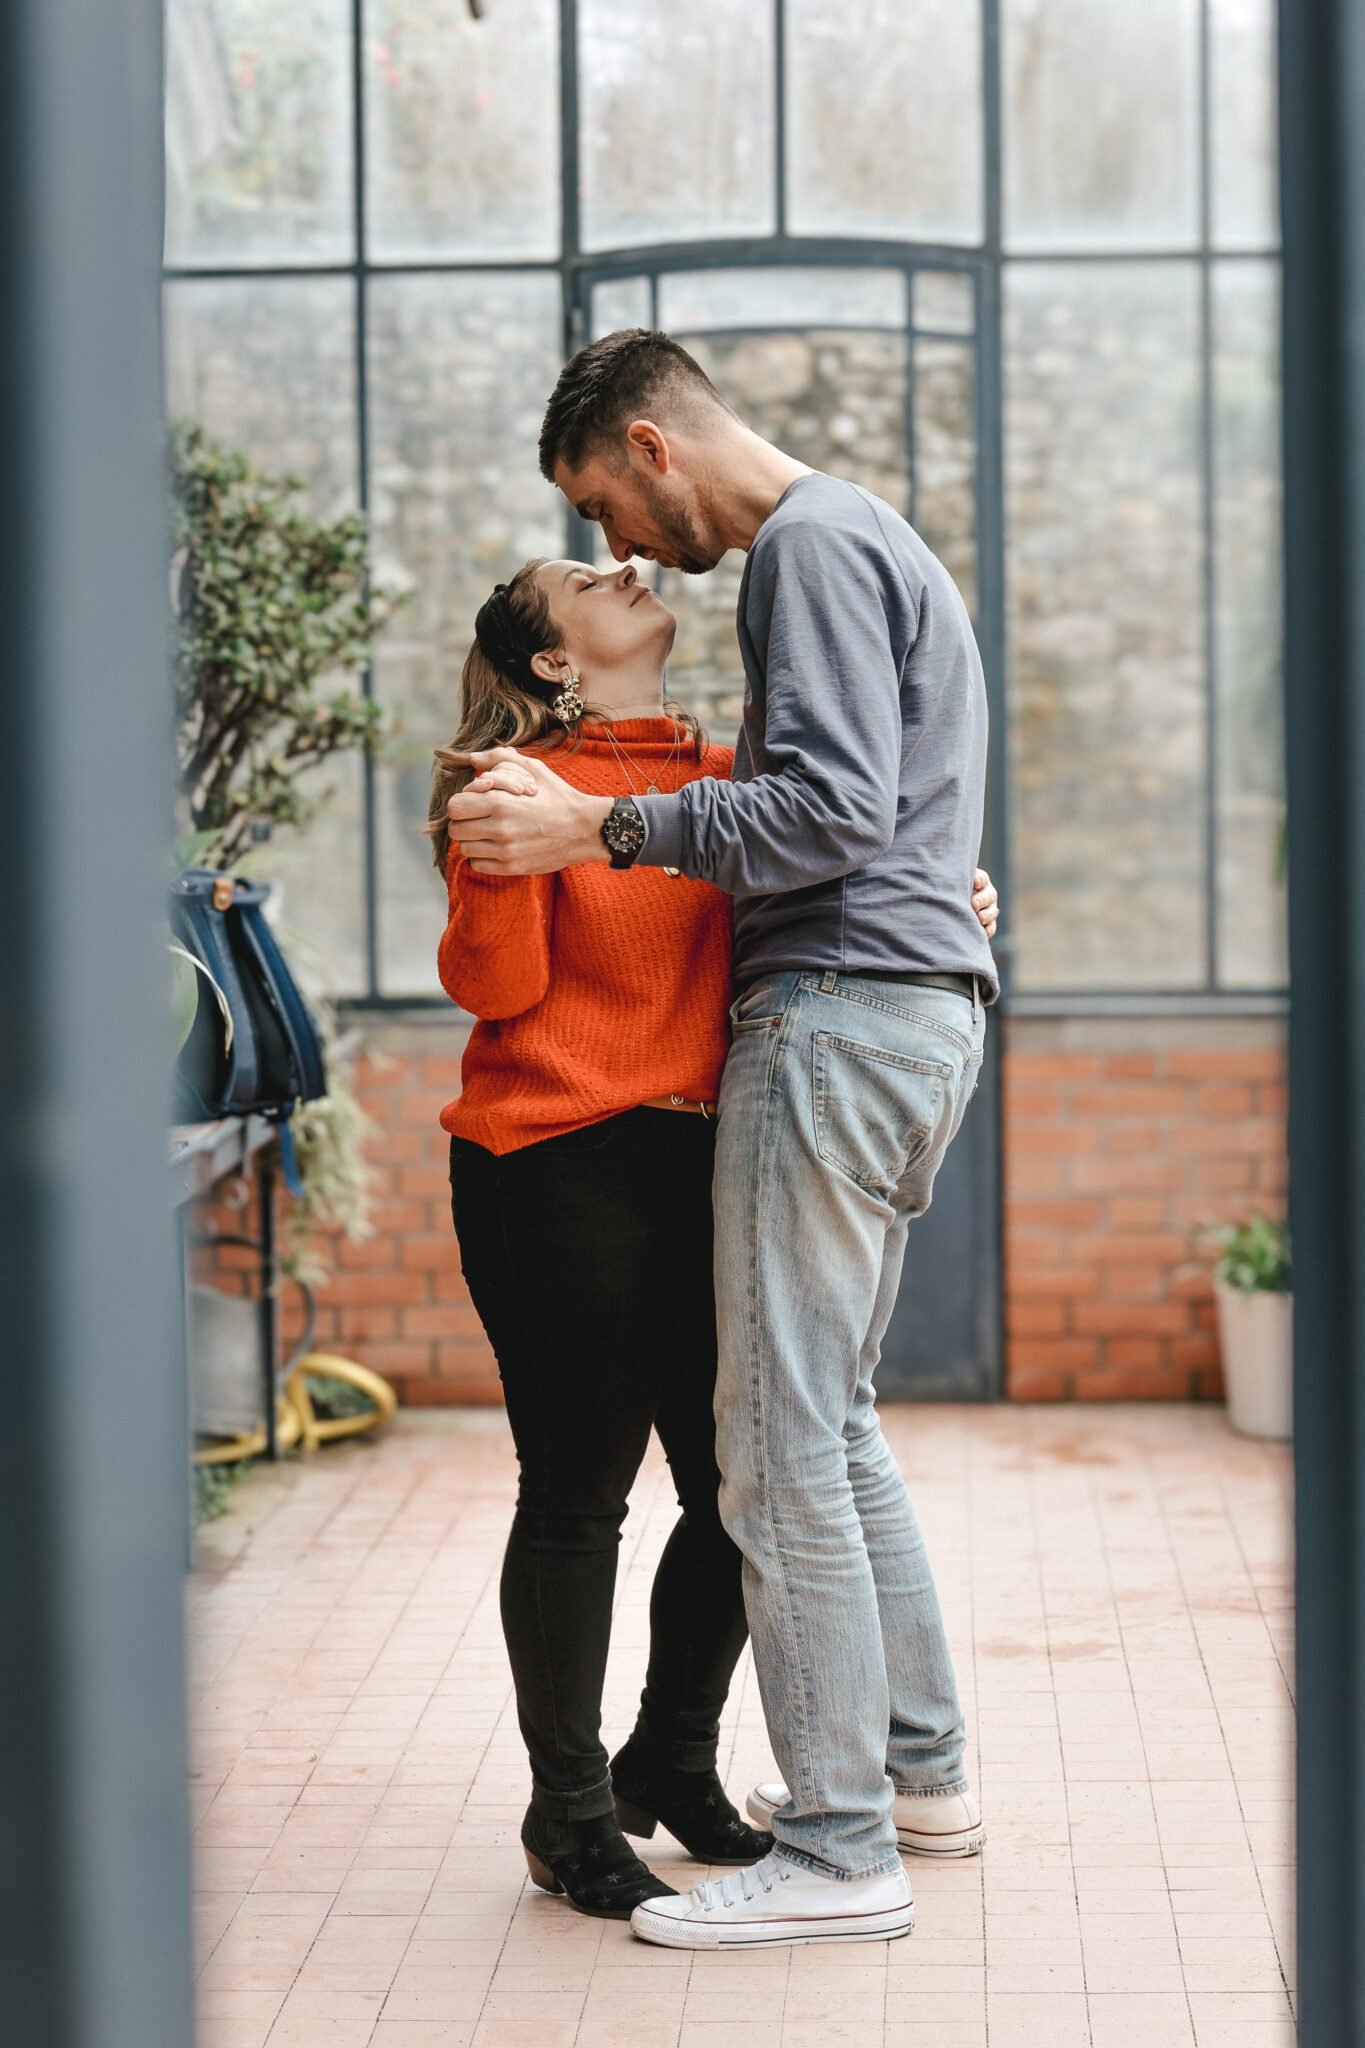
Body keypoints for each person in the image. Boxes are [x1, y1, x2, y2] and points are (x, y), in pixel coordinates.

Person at [444, 329, 1000, 1951]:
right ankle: (840, 1787)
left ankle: (776, 1816)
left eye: (604, 507)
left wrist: (617, 828)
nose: (620, 549)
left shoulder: (781, 601)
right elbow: (503, 980)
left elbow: (824, 816)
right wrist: (517, 852)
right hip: (581, 1154)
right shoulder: (541, 773)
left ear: (650, 444)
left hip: (785, 1073)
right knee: (734, 1451)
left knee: (762, 1459)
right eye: (587, 556)